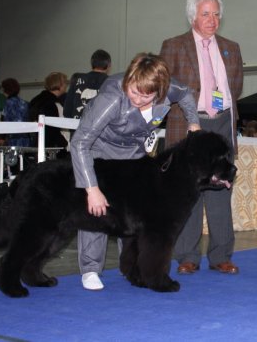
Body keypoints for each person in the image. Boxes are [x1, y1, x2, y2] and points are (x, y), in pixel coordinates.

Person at [71, 52, 201, 290]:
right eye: (133, 92)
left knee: (134, 213)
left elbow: (186, 94)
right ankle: (90, 269)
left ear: (159, 90)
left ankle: (130, 267)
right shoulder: (111, 98)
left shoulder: (168, 88)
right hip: (101, 152)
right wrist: (91, 188)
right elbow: (80, 143)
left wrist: (194, 122)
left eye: (146, 95)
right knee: (98, 210)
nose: (138, 99)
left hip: (135, 153)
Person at [159, 0, 244, 276]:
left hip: (221, 124)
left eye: (217, 14)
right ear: (193, 16)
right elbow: (163, 88)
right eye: (206, 13)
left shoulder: (232, 47)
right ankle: (187, 256)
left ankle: (221, 255)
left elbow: (237, 88)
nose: (212, 19)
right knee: (189, 192)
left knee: (221, 190)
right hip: (188, 125)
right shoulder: (173, 45)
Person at [63, 49, 112, 119]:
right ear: (109, 65)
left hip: (77, 127)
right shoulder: (112, 82)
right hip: (102, 128)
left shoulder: (77, 79)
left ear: (92, 64)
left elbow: (67, 111)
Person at [28, 72, 69, 149]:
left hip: (34, 144)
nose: (66, 86)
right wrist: (65, 144)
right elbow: (54, 129)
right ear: (59, 85)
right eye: (65, 83)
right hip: (50, 147)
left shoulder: (35, 100)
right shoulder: (53, 103)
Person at [0, 78, 31, 147]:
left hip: (13, 138)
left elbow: (5, 121)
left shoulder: (8, 103)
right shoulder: (24, 103)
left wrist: (1, 137)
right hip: (26, 137)